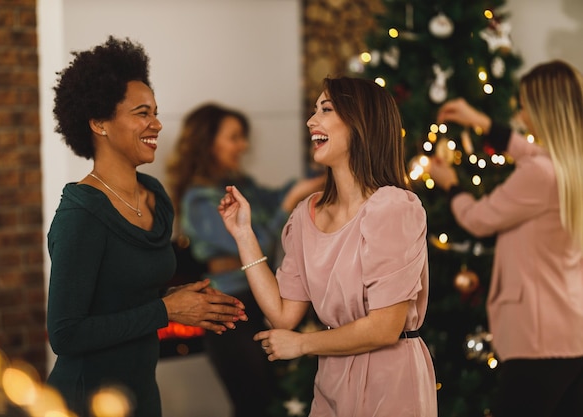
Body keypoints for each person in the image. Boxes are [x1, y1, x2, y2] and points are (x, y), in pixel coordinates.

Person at [46, 36, 247, 417]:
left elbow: (124, 292)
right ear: (99, 122)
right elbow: (66, 334)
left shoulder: (155, 195)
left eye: (155, 111)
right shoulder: (80, 215)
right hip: (85, 401)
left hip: (141, 396)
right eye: (142, 113)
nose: (156, 123)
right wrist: (167, 310)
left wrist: (184, 295)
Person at [218, 77, 438, 416]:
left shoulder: (393, 208)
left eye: (326, 109)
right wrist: (243, 234)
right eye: (313, 110)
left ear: (361, 123)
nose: (311, 121)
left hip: (391, 380)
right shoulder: (305, 216)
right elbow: (282, 315)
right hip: (332, 377)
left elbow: (384, 327)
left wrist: (304, 345)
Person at [429, 60, 583, 417]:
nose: (520, 112)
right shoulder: (570, 165)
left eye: (525, 104)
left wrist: (451, 186)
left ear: (544, 110)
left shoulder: (540, 175)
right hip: (572, 332)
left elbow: (478, 219)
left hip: (538, 338)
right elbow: (534, 153)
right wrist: (485, 124)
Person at [166, 103, 324, 417]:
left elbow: (283, 196)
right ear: (207, 143)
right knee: (254, 402)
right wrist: (291, 202)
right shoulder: (199, 200)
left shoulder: (244, 186)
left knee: (274, 398)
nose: (244, 146)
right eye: (234, 137)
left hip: (261, 297)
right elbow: (255, 242)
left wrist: (319, 166)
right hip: (229, 308)